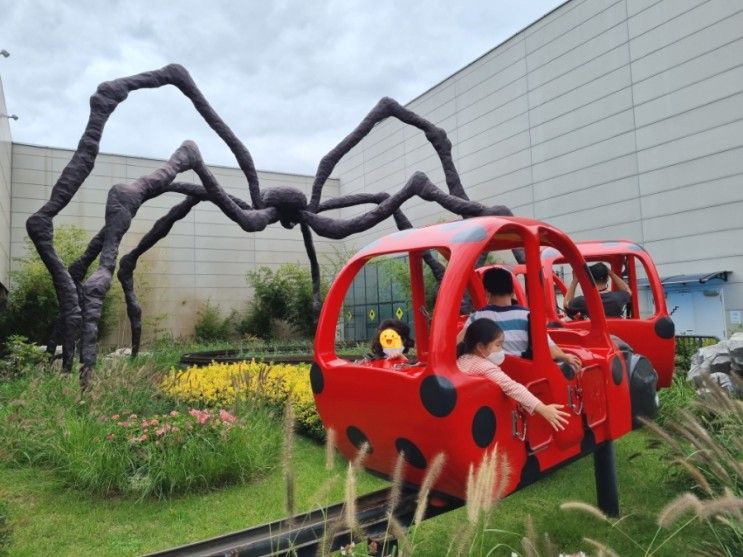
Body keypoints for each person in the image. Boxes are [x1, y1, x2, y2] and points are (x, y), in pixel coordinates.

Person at [457, 319, 570, 431]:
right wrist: (542, 408)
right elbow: (511, 387)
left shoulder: (461, 359)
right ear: (481, 347)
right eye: (498, 345)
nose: (501, 350)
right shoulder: (484, 366)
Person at [456, 267, 581, 369]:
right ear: (512, 292)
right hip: (525, 377)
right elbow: (550, 351)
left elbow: (457, 344)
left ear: (487, 292)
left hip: (490, 376)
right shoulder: (527, 316)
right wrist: (566, 357)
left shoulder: (477, 318)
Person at [564, 262, 632, 319]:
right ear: (607, 278)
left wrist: (575, 281)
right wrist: (610, 273)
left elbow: (566, 305)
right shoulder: (618, 298)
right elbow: (628, 290)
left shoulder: (581, 301)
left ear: (590, 279)